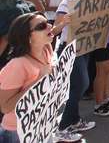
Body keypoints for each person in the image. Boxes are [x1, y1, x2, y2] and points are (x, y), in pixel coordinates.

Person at [0, 13, 64, 143]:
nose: (50, 26)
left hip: (42, 124)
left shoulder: (47, 49)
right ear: (28, 36)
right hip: (18, 132)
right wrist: (38, 80)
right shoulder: (17, 65)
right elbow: (5, 107)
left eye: (47, 23)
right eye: (42, 26)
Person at [55, 0, 97, 139]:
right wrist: (64, 22)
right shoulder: (66, 3)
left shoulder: (87, 0)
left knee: (79, 85)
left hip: (84, 47)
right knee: (81, 85)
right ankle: (63, 126)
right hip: (70, 48)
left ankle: (74, 120)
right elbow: (55, 30)